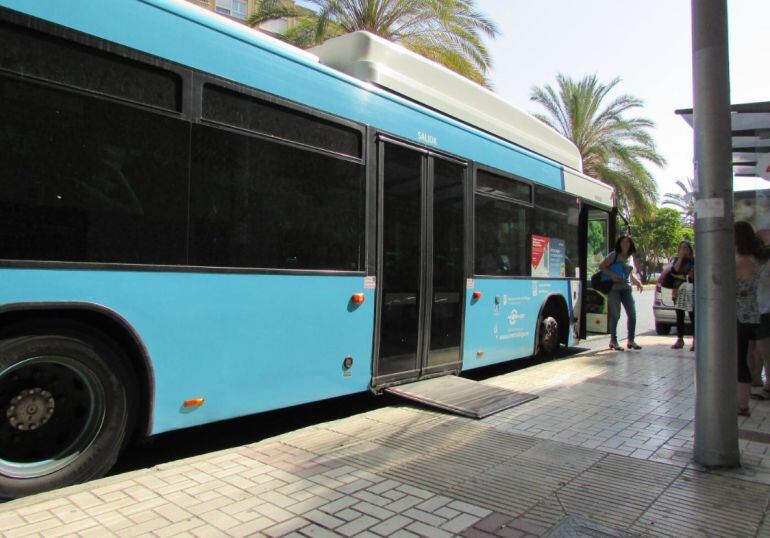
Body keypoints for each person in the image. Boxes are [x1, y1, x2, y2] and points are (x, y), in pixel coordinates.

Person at [735, 221, 762, 416]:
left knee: (740, 360)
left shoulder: (740, 261)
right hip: (753, 313)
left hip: (740, 316)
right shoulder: (755, 259)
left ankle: (742, 404)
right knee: (749, 356)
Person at [599, 235, 644, 351]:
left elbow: (629, 272)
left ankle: (631, 340)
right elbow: (602, 267)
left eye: (628, 242)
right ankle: (613, 341)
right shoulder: (614, 255)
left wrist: (637, 281)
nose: (625, 244)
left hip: (626, 288)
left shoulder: (630, 257)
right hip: (614, 289)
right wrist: (612, 275)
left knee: (632, 314)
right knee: (616, 314)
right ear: (619, 243)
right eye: (623, 241)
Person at [670, 241, 695, 351]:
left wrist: (682, 275)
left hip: (691, 290)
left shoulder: (693, 261)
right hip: (678, 290)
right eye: (681, 248)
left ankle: (695, 340)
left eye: (686, 248)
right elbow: (673, 271)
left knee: (693, 316)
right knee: (679, 316)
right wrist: (680, 258)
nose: (684, 250)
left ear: (690, 249)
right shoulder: (677, 260)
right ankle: (680, 339)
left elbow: (692, 274)